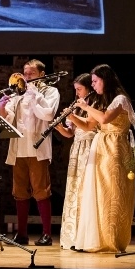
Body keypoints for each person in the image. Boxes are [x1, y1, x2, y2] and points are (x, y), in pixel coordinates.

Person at [72, 64, 135, 253]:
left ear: (105, 80)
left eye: (95, 81)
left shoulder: (120, 99)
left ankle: (112, 239)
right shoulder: (104, 101)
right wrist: (72, 118)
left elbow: (104, 119)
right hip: (101, 148)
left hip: (115, 149)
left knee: (113, 193)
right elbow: (88, 126)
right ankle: (96, 240)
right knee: (97, 192)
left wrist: (86, 106)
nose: (92, 85)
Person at [0, 59, 60, 246]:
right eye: (25, 73)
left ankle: (47, 234)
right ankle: (22, 234)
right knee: (19, 192)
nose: (26, 77)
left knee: (41, 191)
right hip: (18, 149)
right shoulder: (17, 93)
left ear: (41, 74)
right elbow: (6, 119)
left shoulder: (50, 92)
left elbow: (48, 114)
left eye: (31, 73)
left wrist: (33, 95)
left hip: (37, 149)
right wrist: (2, 107)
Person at [55, 74, 99, 249]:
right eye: (76, 90)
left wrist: (72, 116)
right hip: (77, 149)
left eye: (80, 89)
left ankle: (85, 237)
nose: (77, 93)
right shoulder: (78, 105)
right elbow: (70, 133)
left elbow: (89, 126)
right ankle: (72, 236)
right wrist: (60, 127)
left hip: (90, 147)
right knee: (75, 189)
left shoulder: (95, 104)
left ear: (89, 88)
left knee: (85, 190)